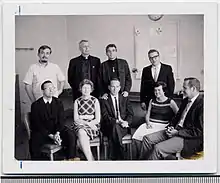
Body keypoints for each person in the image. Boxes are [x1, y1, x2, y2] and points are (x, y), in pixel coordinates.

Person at [139, 77, 203, 160]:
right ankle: (141, 165)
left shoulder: (202, 104)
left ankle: (149, 171)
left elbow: (199, 131)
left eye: (185, 88)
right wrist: (171, 126)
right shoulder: (185, 100)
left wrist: (177, 132)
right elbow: (176, 117)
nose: (182, 90)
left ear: (193, 88)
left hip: (187, 139)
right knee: (147, 139)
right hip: (175, 130)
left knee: (158, 148)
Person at [30, 80, 78, 160]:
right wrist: (52, 136)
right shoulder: (36, 105)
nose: (51, 90)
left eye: (52, 88)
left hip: (57, 130)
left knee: (71, 134)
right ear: (42, 91)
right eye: (48, 88)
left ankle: (70, 159)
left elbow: (61, 120)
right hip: (43, 132)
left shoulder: (58, 102)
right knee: (35, 140)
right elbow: (37, 124)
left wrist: (57, 133)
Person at [132, 82, 179, 159]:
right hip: (150, 124)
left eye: (159, 90)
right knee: (136, 138)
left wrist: (172, 125)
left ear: (164, 91)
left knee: (147, 138)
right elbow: (148, 114)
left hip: (162, 126)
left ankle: (146, 159)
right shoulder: (152, 100)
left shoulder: (170, 102)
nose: (157, 92)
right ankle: (138, 158)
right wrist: (147, 122)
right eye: (155, 90)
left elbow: (178, 115)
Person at [100, 78, 134, 160]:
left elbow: (130, 114)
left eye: (117, 86)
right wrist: (117, 121)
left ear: (120, 87)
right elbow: (105, 117)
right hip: (109, 127)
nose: (115, 89)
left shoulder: (125, 98)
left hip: (123, 127)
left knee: (116, 129)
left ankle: (114, 157)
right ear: (109, 87)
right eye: (112, 86)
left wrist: (126, 122)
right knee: (115, 126)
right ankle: (121, 156)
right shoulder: (104, 100)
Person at [73, 79, 101, 161]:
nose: (86, 90)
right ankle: (91, 160)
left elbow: (97, 119)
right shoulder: (77, 101)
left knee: (80, 141)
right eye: (84, 88)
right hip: (82, 125)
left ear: (91, 89)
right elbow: (76, 119)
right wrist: (88, 123)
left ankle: (90, 160)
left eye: (88, 88)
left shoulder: (95, 100)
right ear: (80, 89)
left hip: (93, 125)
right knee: (81, 132)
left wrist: (84, 119)